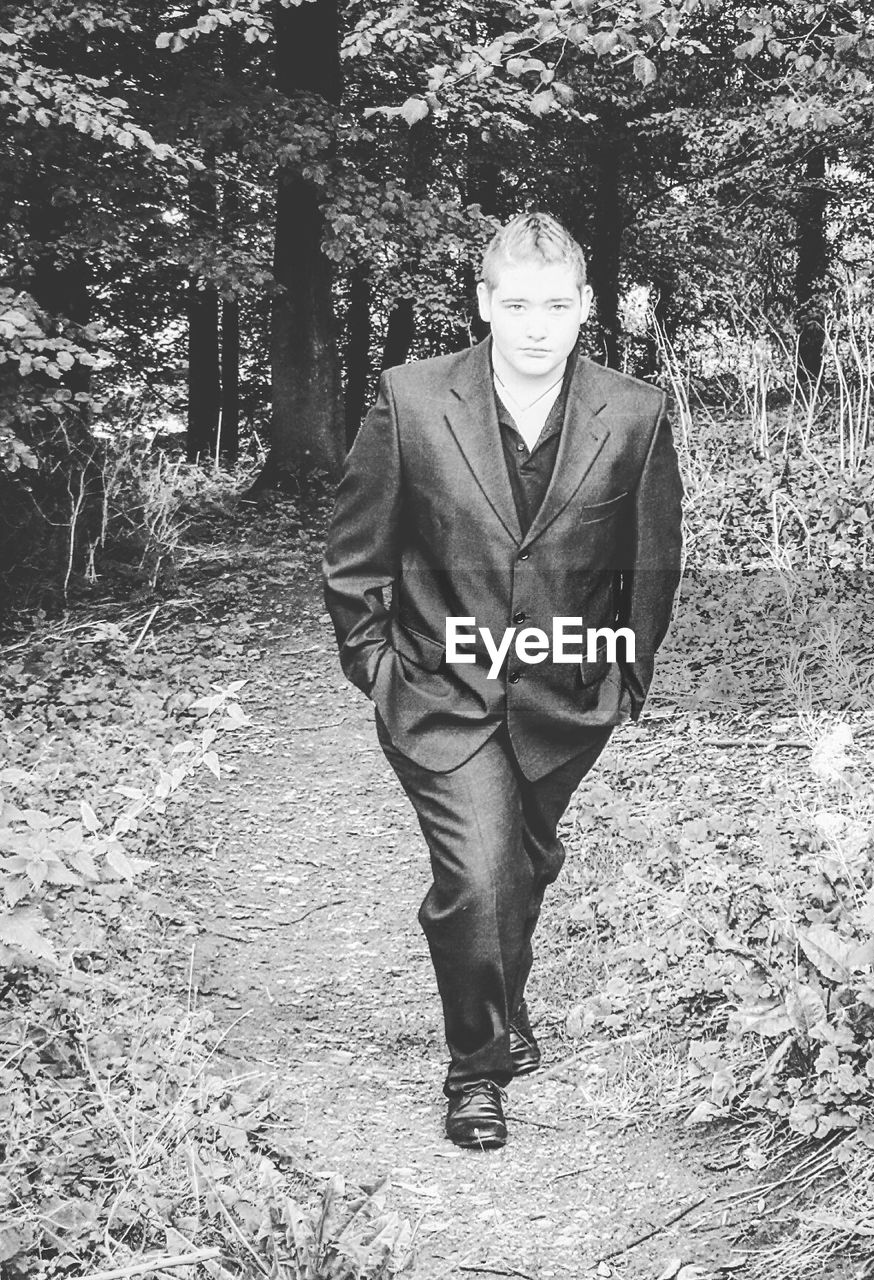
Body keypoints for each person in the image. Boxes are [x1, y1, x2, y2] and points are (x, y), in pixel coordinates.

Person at [322, 212, 683, 1149]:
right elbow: (356, 556)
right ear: (484, 303)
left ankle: (502, 1002)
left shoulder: (635, 413)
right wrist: (379, 670)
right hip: (439, 693)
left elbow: (652, 565)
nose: (535, 325)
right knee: (477, 875)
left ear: (584, 308)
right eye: (515, 303)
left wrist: (624, 676)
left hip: (567, 696)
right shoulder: (409, 401)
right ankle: (476, 1070)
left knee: (524, 862)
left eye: (555, 305)